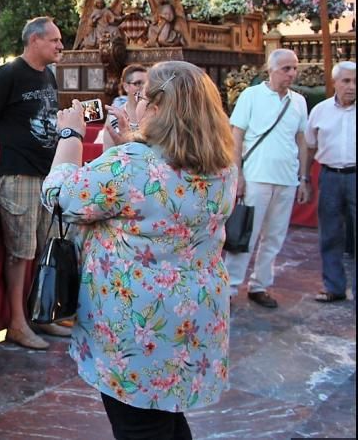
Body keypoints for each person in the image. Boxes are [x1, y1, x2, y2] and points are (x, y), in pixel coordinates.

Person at [42, 61, 237, 440]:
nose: (137, 103)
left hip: (137, 323)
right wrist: (130, 140)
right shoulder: (221, 164)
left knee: (140, 427)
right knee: (165, 418)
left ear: (159, 108)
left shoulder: (133, 165)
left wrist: (70, 134)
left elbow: (60, 198)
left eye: (143, 96)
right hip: (196, 313)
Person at [0, 16, 69, 349]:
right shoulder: (9, 74)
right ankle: (16, 322)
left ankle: (41, 314)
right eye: (54, 40)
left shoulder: (48, 75)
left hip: (47, 174)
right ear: (35, 39)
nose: (60, 45)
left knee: (45, 249)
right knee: (19, 254)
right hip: (19, 173)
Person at [225, 48, 310, 309]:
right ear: (271, 69)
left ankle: (259, 285)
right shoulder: (251, 95)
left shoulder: (298, 101)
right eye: (286, 68)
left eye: (295, 68)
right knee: (245, 235)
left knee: (274, 236)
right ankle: (228, 288)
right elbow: (236, 136)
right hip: (256, 177)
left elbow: (302, 140)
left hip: (286, 179)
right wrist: (237, 175)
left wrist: (303, 177)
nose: (292, 73)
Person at [303, 60, 356, 304]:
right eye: (346, 81)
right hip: (330, 178)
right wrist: (305, 179)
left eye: (355, 82)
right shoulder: (320, 111)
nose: (352, 86)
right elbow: (309, 147)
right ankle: (334, 287)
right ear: (335, 82)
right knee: (330, 234)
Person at [99, 64, 147, 143]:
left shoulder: (155, 114)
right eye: (138, 83)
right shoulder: (114, 117)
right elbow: (108, 152)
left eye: (146, 84)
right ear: (126, 87)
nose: (143, 88)